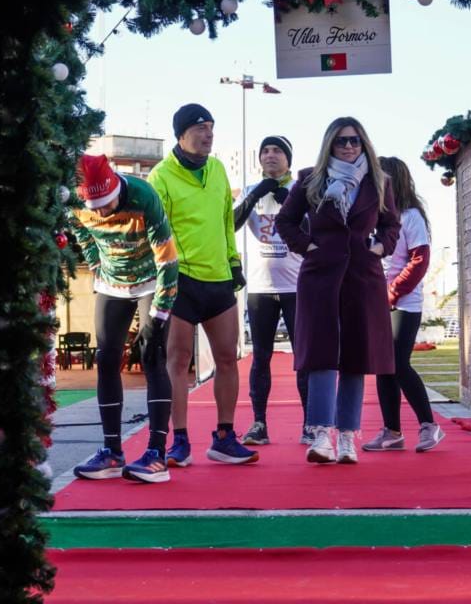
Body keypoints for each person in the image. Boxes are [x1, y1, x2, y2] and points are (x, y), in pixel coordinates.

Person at [276, 117, 400, 464]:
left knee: (355, 358)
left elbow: (392, 224)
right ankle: (321, 436)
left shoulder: (379, 182)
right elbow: (286, 221)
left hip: (363, 276)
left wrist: (380, 248)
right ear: (330, 144)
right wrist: (307, 247)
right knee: (321, 355)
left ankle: (347, 438)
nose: (348, 147)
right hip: (320, 277)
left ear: (364, 145)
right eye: (342, 141)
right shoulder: (309, 179)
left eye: (355, 141)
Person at [147, 103, 258, 466]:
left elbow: (227, 221)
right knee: (178, 361)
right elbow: (155, 232)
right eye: (200, 128)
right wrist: (168, 273)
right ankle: (179, 441)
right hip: (181, 281)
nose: (208, 134)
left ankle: (225, 437)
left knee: (228, 358)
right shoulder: (161, 176)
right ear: (181, 134)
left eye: (211, 127)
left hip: (219, 280)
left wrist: (234, 261)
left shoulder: (218, 169)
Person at [68, 154, 178, 483]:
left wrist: (159, 312)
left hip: (150, 281)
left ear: (118, 187)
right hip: (111, 284)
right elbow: (83, 235)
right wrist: (97, 266)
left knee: (153, 356)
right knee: (106, 359)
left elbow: (168, 259)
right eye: (95, 207)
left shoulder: (144, 196)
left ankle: (157, 454)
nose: (101, 212)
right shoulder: (75, 204)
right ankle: (112, 452)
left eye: (107, 204)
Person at [363, 157, 445, 452]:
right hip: (375, 302)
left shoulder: (411, 216)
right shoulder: (373, 216)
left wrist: (393, 293)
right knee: (383, 367)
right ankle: (392, 431)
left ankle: (429, 426)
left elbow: (419, 260)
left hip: (404, 303)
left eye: (380, 176)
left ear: (393, 180)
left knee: (398, 363)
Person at [232, 136, 310, 445]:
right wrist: (254, 198)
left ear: (288, 159)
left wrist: (288, 206)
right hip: (260, 288)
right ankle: (259, 423)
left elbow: (314, 230)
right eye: (265, 150)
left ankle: (309, 424)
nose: (270, 155)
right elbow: (232, 224)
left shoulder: (300, 190)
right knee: (260, 357)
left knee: (303, 358)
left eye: (277, 150)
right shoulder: (252, 189)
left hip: (296, 286)